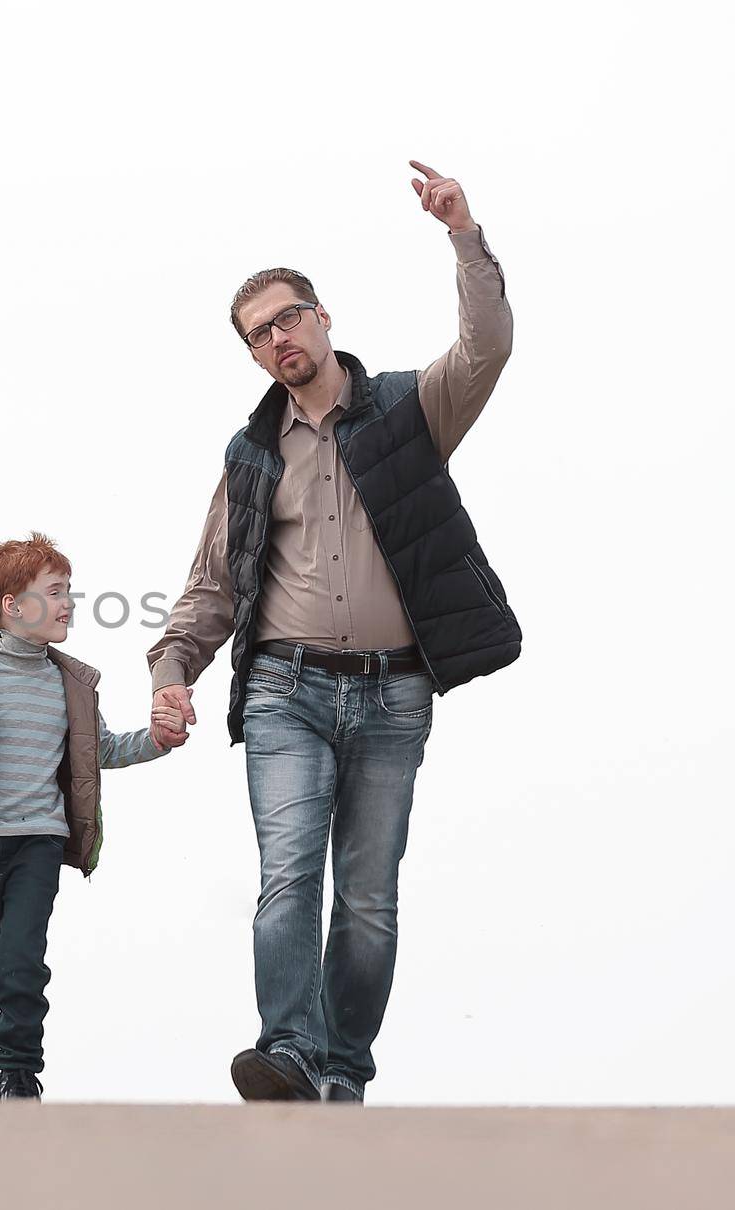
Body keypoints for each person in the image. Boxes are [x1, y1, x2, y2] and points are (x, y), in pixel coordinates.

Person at [148, 162, 518, 1104]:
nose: (276, 339)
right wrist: (172, 666)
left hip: (396, 693)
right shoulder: (252, 453)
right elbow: (211, 587)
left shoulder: (406, 410)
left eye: (286, 318)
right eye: (257, 334)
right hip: (285, 690)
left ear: (321, 318)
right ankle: (291, 1054)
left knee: (366, 900)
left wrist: (462, 232)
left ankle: (341, 1074)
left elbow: (486, 349)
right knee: (287, 878)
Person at [0, 533, 183, 1099]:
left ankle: (20, 1073)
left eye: (68, 591)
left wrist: (154, 740)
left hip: (38, 843)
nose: (68, 603)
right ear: (11, 605)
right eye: (54, 592)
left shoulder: (70, 684)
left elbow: (99, 750)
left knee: (20, 961)